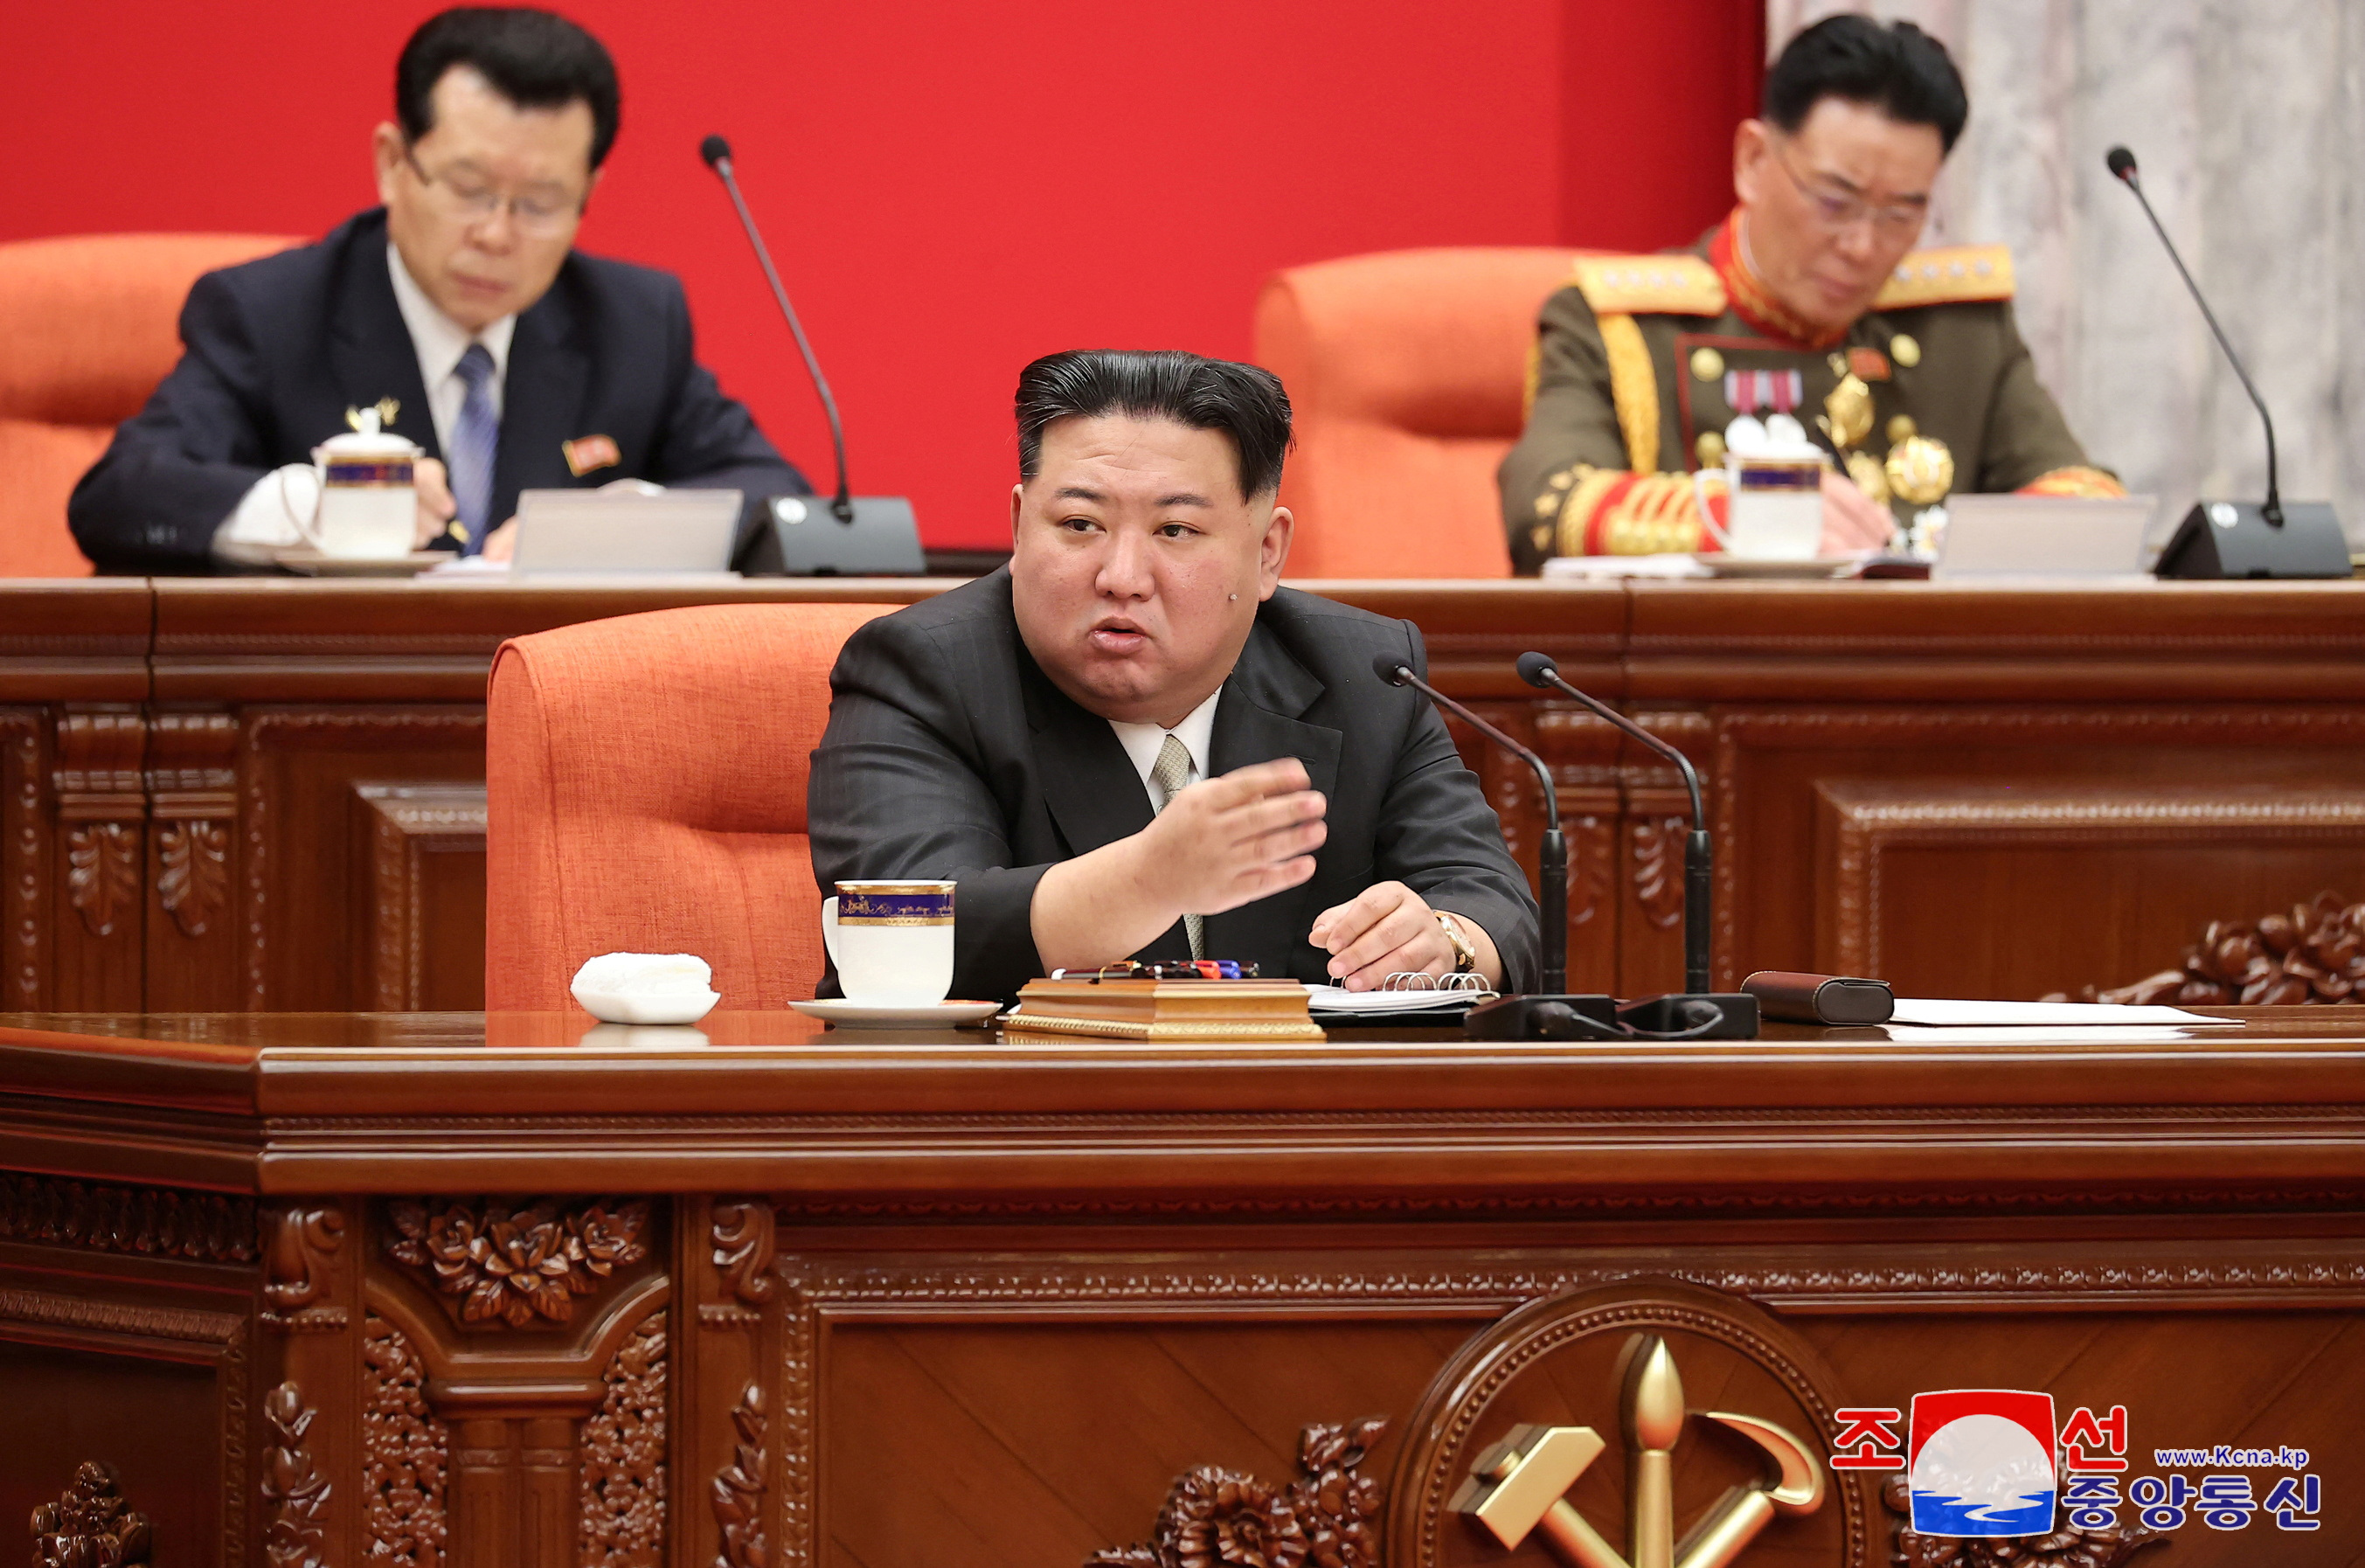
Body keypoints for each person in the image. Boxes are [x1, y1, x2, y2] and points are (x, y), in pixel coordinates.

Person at [809, 350, 1540, 1003]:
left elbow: (1494, 902)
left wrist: (1446, 941)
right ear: (1019, 522)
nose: (1122, 577)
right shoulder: (921, 672)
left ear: (1267, 553)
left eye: (1175, 532)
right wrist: (1150, 880)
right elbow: (912, 930)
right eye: (1079, 525)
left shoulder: (1364, 674)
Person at [69, 7, 803, 573]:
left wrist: (630, 522)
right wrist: (312, 508)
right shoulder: (272, 313)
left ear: (588, 194)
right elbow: (121, 494)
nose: (496, 233)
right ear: (393, 163)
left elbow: (777, 490)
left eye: (541, 203)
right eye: (468, 188)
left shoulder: (634, 324)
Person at [1500, 14, 2122, 572]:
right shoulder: (1616, 326)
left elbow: (2086, 498)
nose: (1862, 246)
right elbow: (1550, 507)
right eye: (1834, 202)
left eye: (1901, 215)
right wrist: (1754, 512)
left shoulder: (1960, 332)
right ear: (1751, 161)